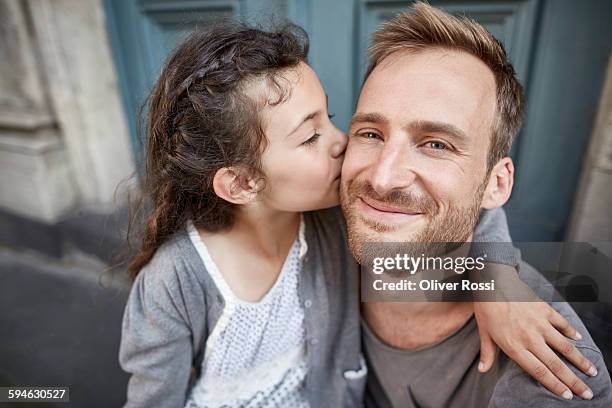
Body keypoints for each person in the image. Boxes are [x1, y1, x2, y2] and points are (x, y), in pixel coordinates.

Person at [119, 18, 597, 408]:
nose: (371, 168)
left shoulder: (344, 221)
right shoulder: (335, 219)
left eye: (436, 144)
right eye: (369, 132)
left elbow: (460, 212)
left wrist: (497, 276)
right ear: (242, 183)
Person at [339, 3, 612, 406]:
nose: (381, 178)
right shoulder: (314, 227)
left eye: (436, 144)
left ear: (495, 184)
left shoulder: (552, 369)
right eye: (371, 133)